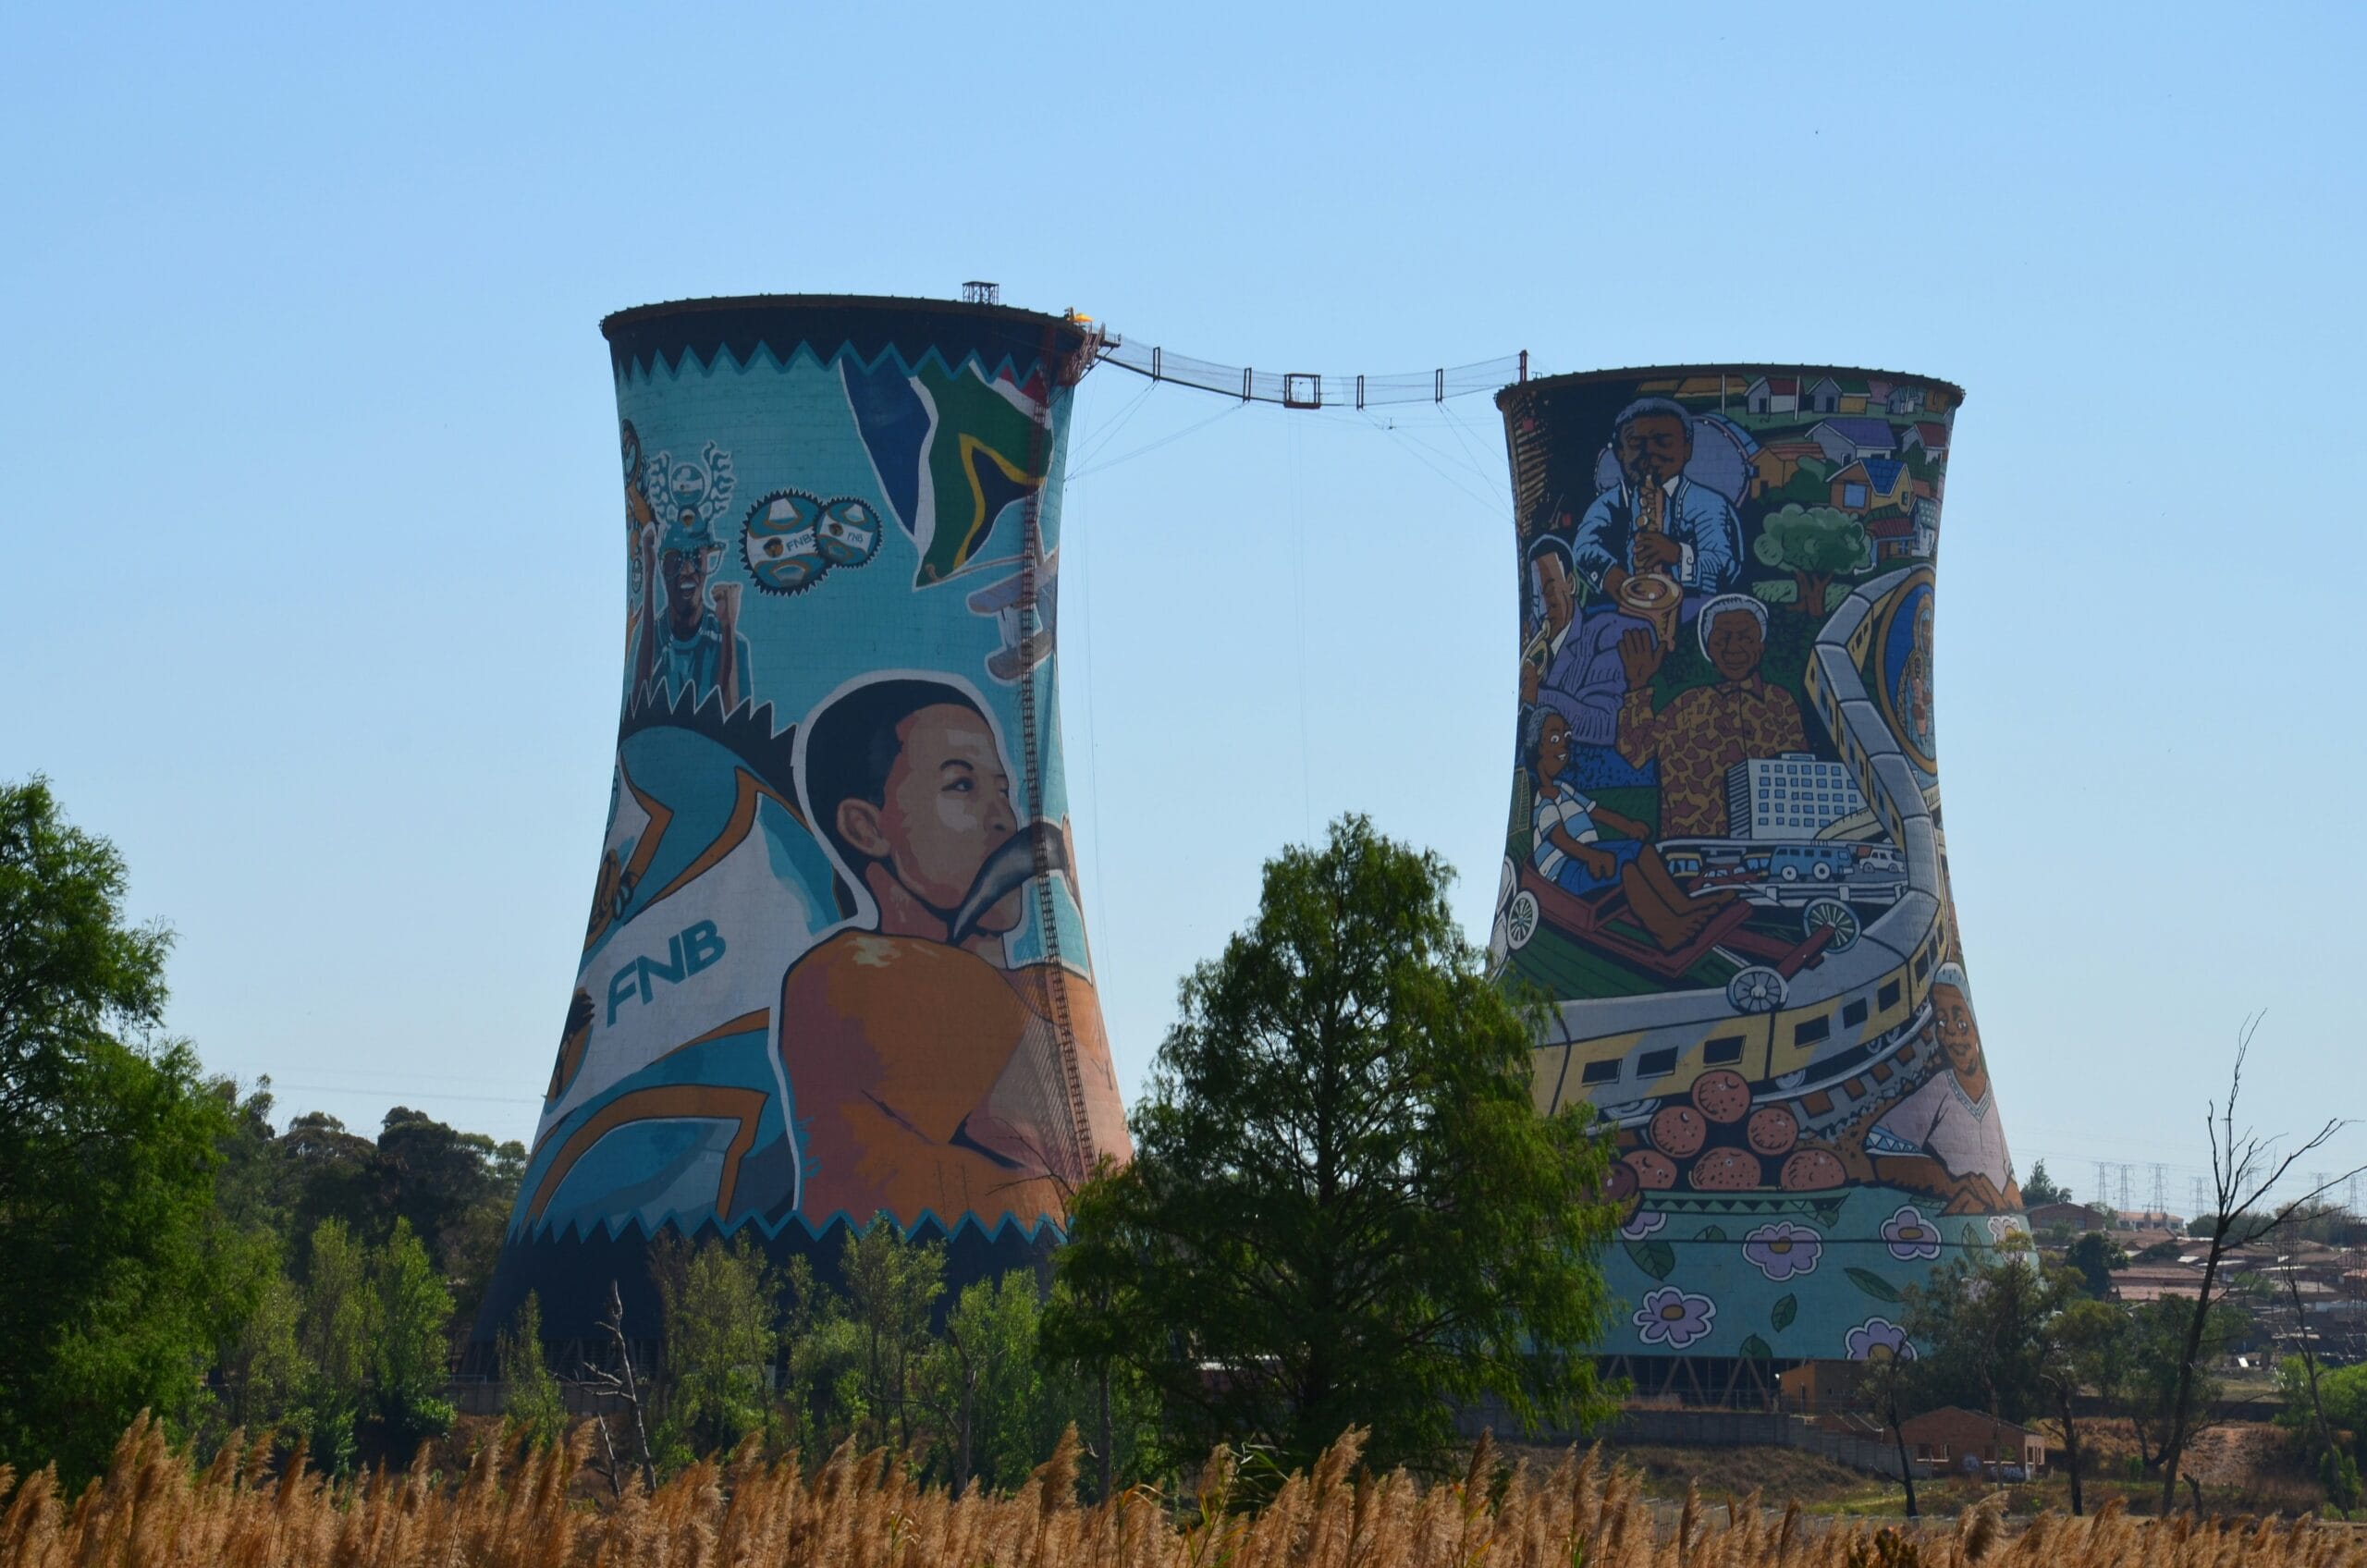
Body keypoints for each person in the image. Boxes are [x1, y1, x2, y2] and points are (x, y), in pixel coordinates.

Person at [779, 677, 1126, 1229]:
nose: (1003, 818)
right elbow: (1091, 1158)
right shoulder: (855, 978)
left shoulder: (1057, 988)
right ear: (866, 828)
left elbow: (1115, 1194)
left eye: (1003, 790)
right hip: (905, 1307)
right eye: (961, 787)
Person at [1526, 706, 1732, 949]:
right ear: (1539, 747)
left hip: (1588, 851)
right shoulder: (1544, 801)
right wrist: (1592, 855)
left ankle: (1683, 906)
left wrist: (1629, 826)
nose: (1564, 747)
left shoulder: (1564, 789)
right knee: (1627, 868)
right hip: (1565, 870)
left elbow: (1597, 811)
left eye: (1566, 738)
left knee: (1640, 849)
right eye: (1555, 739)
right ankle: (1667, 930)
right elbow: (1560, 839)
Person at [1614, 594, 1809, 837]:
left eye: (1745, 638)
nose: (1733, 648)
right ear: (1708, 648)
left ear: (1760, 647)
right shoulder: (1686, 706)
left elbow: (1800, 777)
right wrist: (1637, 686)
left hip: (1770, 848)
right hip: (1695, 851)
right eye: (1722, 639)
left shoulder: (1781, 704)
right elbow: (1635, 752)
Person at [1863, 965, 2016, 1211]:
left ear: (1975, 1027)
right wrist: (1949, 1186)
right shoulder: (1939, 1090)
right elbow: (1879, 1142)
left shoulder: (1986, 1096)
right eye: (1943, 1022)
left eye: (1961, 1021)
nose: (1953, 1033)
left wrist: (2005, 1197)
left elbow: (2004, 1173)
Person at [1569, 398, 1744, 598]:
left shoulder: (1708, 503)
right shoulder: (1610, 503)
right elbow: (1582, 547)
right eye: (1636, 443)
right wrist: (1612, 576)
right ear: (1620, 452)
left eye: (1663, 442)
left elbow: (1723, 563)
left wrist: (1677, 554)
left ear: (1687, 449)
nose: (1650, 452)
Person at [633, 508, 753, 709]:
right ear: (663, 567)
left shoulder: (732, 643)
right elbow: (638, 711)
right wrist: (648, 575)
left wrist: (728, 629)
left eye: (697, 558)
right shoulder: (654, 641)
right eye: (677, 560)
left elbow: (733, 729)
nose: (688, 570)